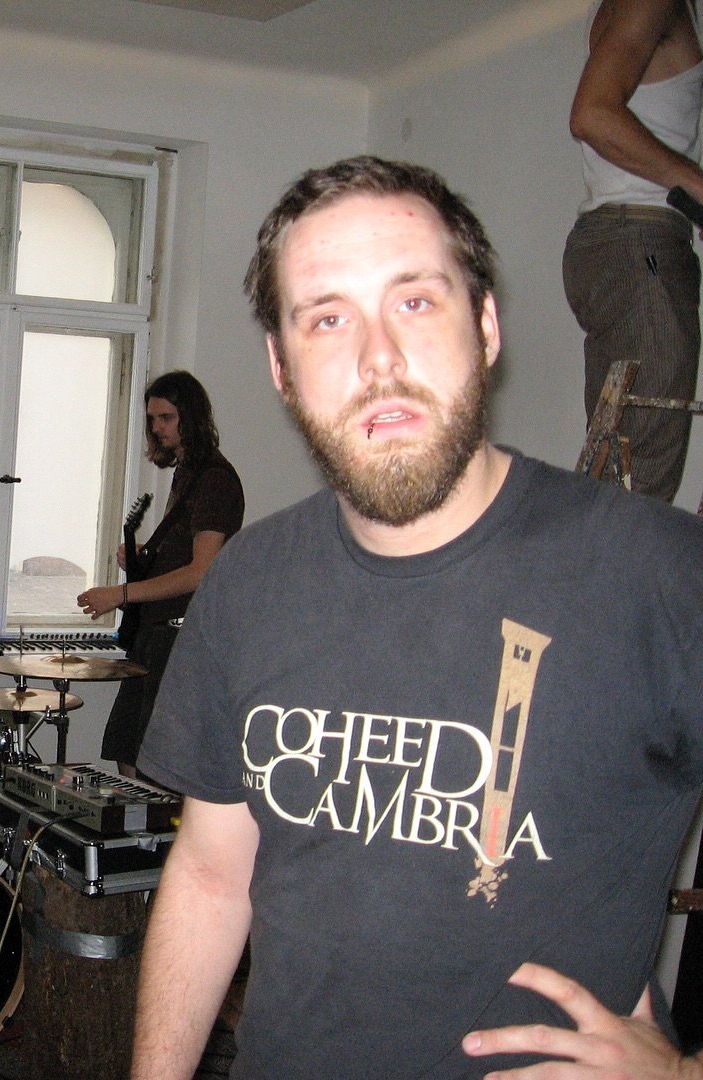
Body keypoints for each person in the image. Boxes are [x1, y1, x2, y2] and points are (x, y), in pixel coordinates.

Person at [131, 156, 703, 1079]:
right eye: (327, 318)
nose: (379, 359)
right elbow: (209, 872)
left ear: (486, 326)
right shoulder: (249, 582)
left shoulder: (663, 575)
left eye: (416, 301)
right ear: (281, 368)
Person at [565, 0, 703, 503]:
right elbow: (592, 114)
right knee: (638, 487)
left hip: (625, 244)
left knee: (617, 475)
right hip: (640, 244)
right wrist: (697, 186)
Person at [75, 370, 244, 779]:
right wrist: (146, 556)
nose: (156, 428)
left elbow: (202, 572)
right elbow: (184, 555)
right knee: (127, 750)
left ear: (192, 417)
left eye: (166, 418)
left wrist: (120, 593)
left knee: (158, 764)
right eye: (152, 419)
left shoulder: (215, 480)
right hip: (156, 637)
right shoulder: (186, 474)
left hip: (180, 639)